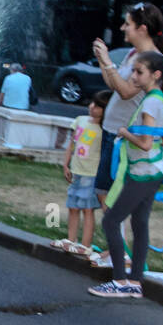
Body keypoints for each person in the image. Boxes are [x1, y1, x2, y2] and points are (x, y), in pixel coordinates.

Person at [89, 51, 163, 298]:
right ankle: (135, 282)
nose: (134, 75)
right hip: (150, 171)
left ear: (156, 74)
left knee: (110, 220)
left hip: (144, 172)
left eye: (139, 71)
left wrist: (123, 132)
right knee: (139, 224)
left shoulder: (150, 102)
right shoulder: (155, 98)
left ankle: (119, 280)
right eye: (134, 70)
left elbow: (146, 142)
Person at [92, 2, 163, 214]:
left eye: (127, 24)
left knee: (109, 193)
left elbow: (126, 92)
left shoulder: (152, 61)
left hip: (123, 136)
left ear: (142, 29)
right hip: (112, 131)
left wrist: (108, 61)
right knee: (104, 190)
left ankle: (119, 245)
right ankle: (116, 243)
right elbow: (114, 86)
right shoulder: (132, 54)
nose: (122, 28)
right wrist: (102, 60)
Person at [52, 89, 108, 255]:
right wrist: (66, 164)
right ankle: (71, 239)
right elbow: (72, 144)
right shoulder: (80, 120)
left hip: (91, 174)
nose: (92, 107)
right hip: (76, 171)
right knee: (73, 206)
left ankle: (85, 244)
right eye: (92, 103)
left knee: (87, 208)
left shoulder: (105, 130)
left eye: (98, 106)